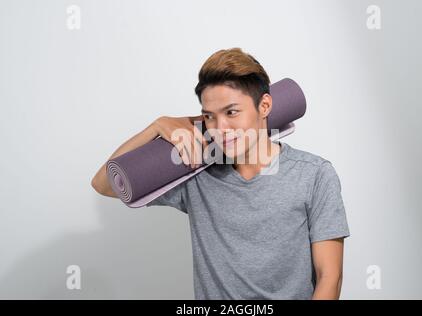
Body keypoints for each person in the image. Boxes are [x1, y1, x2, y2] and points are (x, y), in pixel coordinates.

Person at [91, 48, 350, 300]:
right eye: (210, 117)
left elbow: (329, 276)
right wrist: (157, 126)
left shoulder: (314, 174)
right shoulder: (195, 173)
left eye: (231, 112)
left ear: (264, 106)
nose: (220, 128)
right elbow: (103, 183)